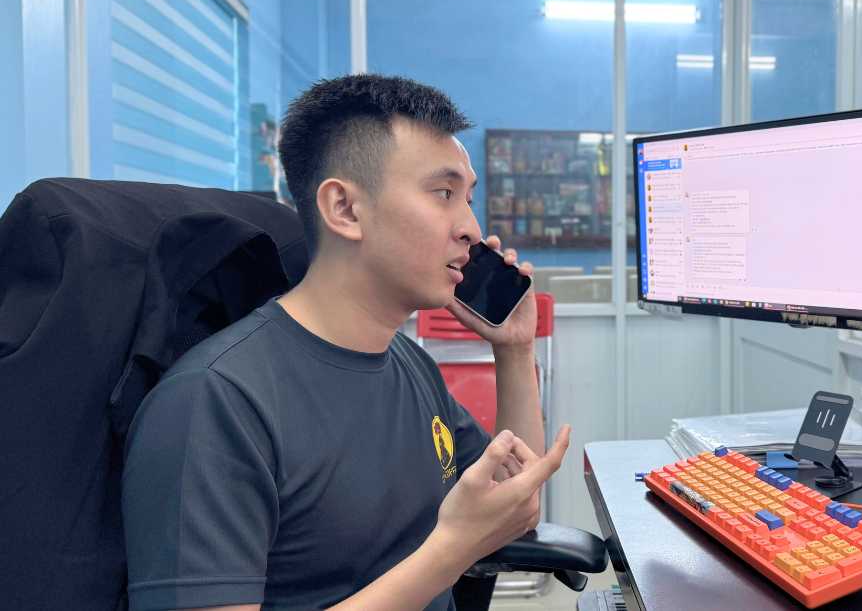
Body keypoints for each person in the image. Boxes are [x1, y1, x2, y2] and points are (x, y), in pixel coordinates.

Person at [122, 74, 568, 611]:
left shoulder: (410, 366)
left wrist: (514, 350)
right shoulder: (214, 401)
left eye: (468, 199)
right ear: (345, 209)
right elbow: (459, 544)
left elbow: (515, 502)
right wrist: (450, 550)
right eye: (444, 194)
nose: (471, 228)